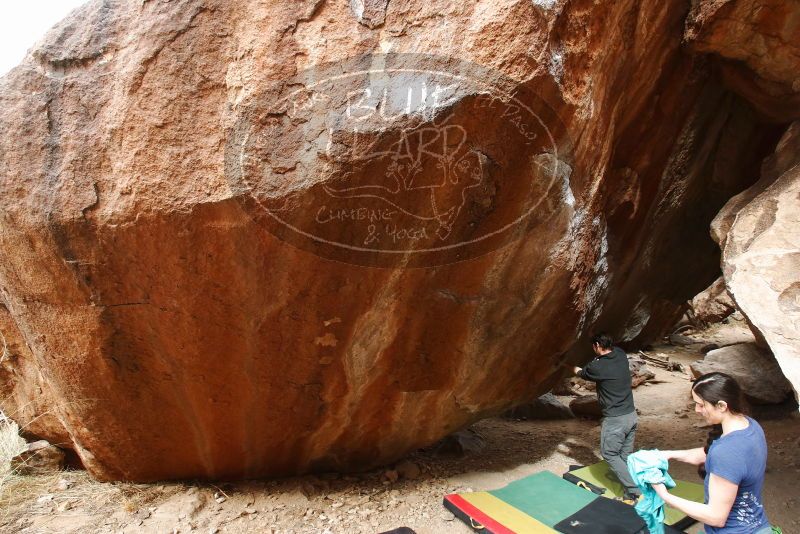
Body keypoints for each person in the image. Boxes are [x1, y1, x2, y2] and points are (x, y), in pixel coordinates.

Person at [651, 372, 774, 533]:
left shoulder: (726, 452)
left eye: (701, 405)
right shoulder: (750, 426)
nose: (696, 410)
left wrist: (664, 495)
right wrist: (667, 454)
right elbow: (711, 456)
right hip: (757, 526)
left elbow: (716, 516)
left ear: (722, 406)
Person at [573, 332, 640, 501]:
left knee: (609, 453)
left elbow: (580, 372)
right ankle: (628, 494)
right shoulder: (620, 354)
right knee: (624, 456)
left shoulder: (598, 367)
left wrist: (566, 366)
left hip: (615, 419)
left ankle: (635, 491)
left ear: (597, 346)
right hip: (631, 415)